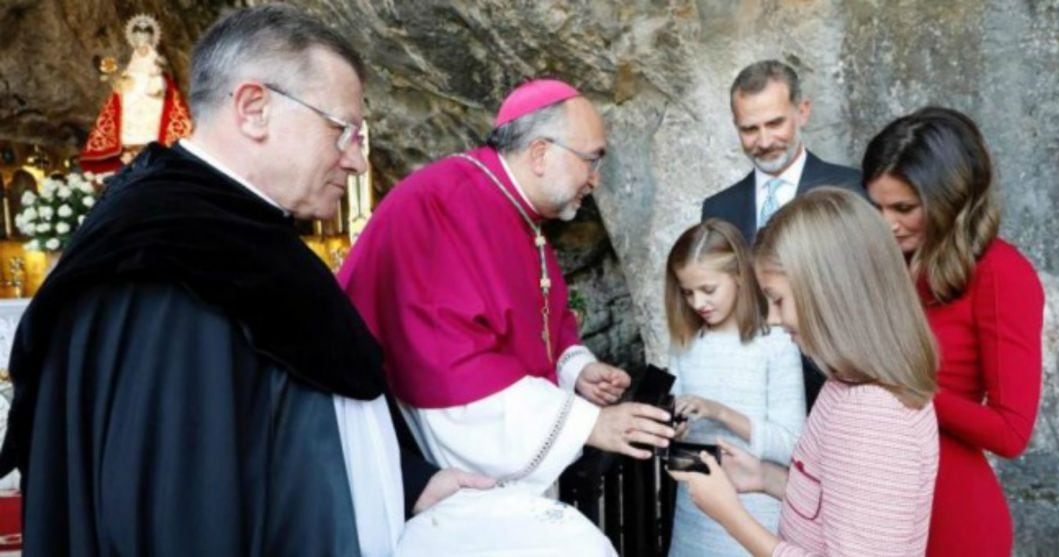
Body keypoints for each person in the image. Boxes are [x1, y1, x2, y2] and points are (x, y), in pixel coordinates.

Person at [0, 5, 489, 555]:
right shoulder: (169, 261)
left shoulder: (242, 232)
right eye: (344, 131)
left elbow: (297, 418)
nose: (355, 160)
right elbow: (177, 511)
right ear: (254, 109)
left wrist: (411, 483)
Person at [338, 78, 674, 555]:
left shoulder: (515, 209)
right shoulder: (442, 207)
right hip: (436, 470)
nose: (595, 178)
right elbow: (450, 370)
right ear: (540, 153)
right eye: (592, 159)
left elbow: (540, 319)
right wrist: (590, 425)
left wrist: (576, 368)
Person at [672, 188, 940, 556]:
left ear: (827, 292)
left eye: (779, 299)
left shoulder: (872, 414)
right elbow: (838, 504)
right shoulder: (849, 383)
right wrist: (766, 478)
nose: (775, 318)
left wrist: (730, 515)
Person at [862, 107, 1044, 557]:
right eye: (877, 206)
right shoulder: (888, 260)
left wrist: (908, 391)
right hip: (874, 500)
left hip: (950, 516)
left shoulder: (1001, 274)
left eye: (903, 208)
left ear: (950, 199)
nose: (887, 223)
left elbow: (1011, 432)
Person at [701, 60, 861, 409]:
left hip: (838, 389)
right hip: (751, 401)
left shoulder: (853, 191)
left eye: (775, 123)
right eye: (749, 129)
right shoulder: (717, 209)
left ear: (802, 111)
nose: (764, 141)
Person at [664, 219, 804, 557]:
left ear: (740, 275)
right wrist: (673, 427)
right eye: (687, 292)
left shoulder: (777, 344)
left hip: (759, 518)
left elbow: (793, 447)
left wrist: (719, 412)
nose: (698, 303)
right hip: (694, 516)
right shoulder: (685, 343)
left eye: (708, 290)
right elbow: (674, 434)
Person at [80, 14, 193, 174]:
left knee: (154, 110)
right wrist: (123, 78)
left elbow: (157, 66)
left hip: (151, 87)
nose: (142, 41)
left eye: (144, 37)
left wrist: (155, 71)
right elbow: (132, 68)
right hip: (133, 87)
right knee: (126, 107)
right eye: (138, 37)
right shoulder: (135, 55)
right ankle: (130, 148)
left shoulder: (153, 54)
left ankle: (150, 145)